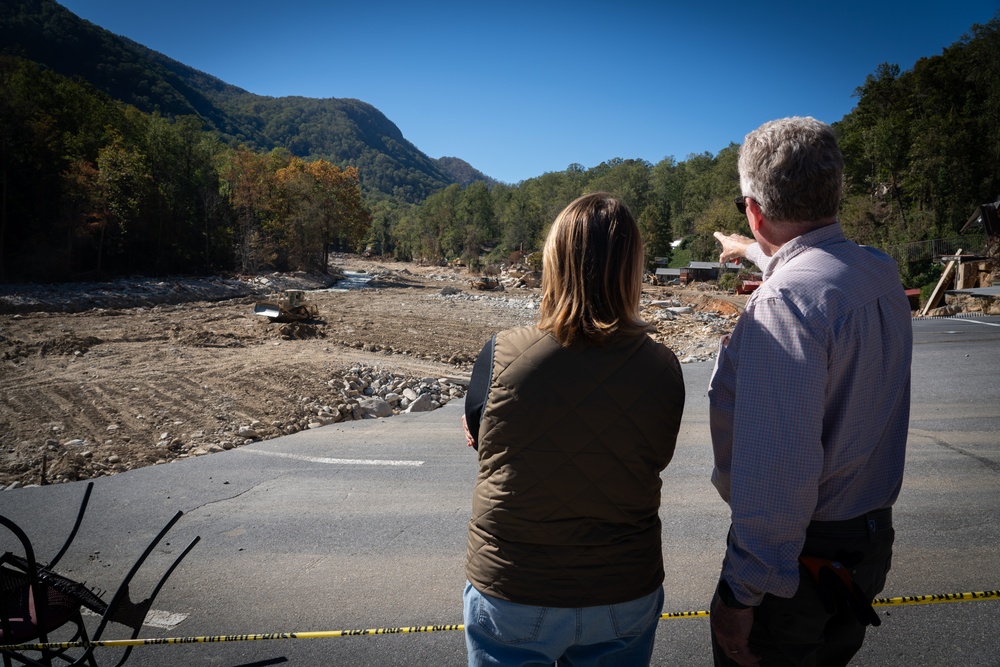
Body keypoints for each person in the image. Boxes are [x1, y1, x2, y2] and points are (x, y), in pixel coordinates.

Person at [707, 116, 912, 667]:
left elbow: (779, 469)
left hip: (799, 560)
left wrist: (742, 590)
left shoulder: (784, 303)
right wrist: (749, 249)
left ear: (755, 208)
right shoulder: (876, 270)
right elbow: (808, 263)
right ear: (835, 190)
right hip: (866, 542)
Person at [461, 192, 685, 667]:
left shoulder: (501, 353)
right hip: (624, 586)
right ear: (632, 268)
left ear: (554, 262)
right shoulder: (664, 367)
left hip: (515, 584)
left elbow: (482, 440)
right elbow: (653, 451)